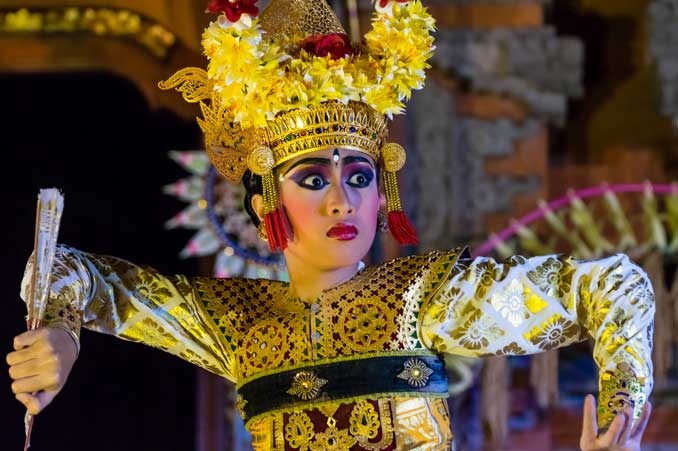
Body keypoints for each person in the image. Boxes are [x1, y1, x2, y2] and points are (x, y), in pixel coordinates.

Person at [7, 0, 655, 449]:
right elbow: (79, 276)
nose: (343, 200)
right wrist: (62, 330)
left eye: (361, 176)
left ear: (383, 193)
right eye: (314, 179)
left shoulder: (423, 298)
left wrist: (622, 401)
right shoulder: (237, 322)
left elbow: (615, 287)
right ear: (267, 201)